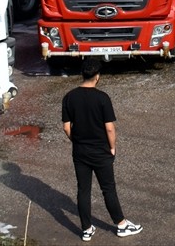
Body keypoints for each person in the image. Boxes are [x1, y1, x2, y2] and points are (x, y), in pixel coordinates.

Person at [62, 58, 142, 240]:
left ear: (82, 74)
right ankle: (121, 225)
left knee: (83, 190)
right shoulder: (102, 98)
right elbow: (109, 128)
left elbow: (66, 127)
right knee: (108, 189)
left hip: (80, 151)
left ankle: (86, 229)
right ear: (97, 76)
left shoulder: (69, 97)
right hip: (101, 151)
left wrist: (78, 141)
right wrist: (112, 147)